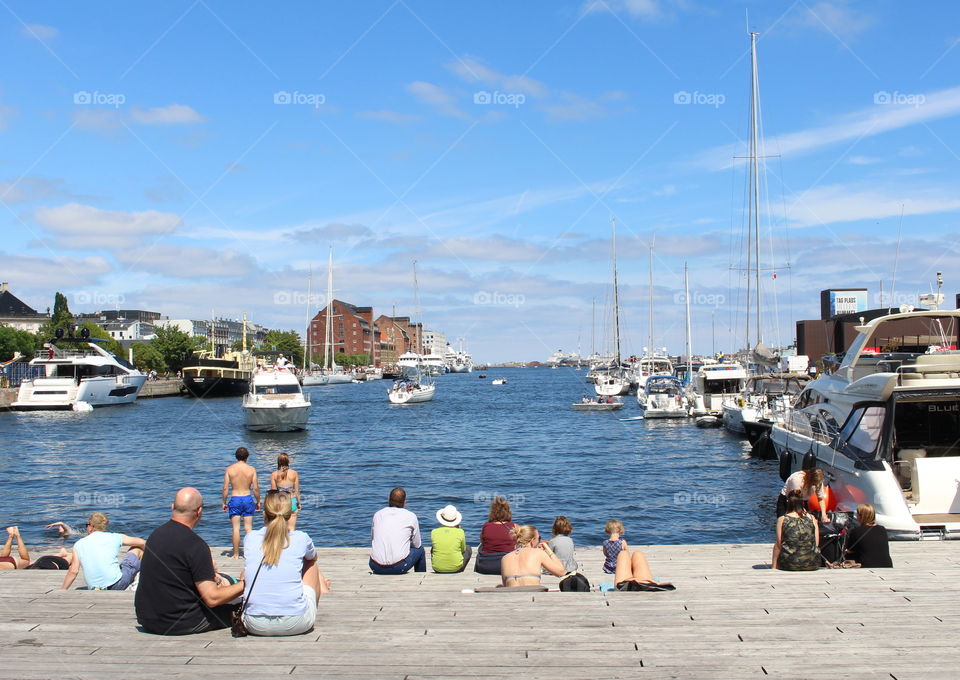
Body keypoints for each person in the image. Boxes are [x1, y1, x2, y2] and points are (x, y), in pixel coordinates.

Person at [135, 488, 245, 635]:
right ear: (199, 511)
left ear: (172, 507)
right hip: (180, 622)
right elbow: (212, 598)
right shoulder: (195, 545)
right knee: (243, 607)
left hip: (147, 618)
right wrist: (246, 584)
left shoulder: (155, 536)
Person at [242, 491, 330, 636]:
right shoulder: (301, 538)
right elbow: (313, 558)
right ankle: (310, 614)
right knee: (311, 563)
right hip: (296, 623)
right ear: (289, 515)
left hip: (254, 624)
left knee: (246, 571)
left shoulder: (250, 538)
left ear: (264, 514)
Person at [61, 513, 145, 590]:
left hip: (94, 588)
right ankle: (142, 582)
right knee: (137, 549)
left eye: (87, 525)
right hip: (117, 585)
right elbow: (143, 542)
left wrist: (62, 590)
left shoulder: (78, 544)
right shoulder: (115, 537)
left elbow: (73, 571)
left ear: (91, 526)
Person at [369, 487, 426, 574]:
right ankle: (420, 576)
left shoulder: (378, 515)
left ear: (388, 500)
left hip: (375, 566)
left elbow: (373, 538)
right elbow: (417, 544)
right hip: (399, 567)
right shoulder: (410, 516)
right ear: (404, 502)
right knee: (420, 550)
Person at [222, 446, 261, 559]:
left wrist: (224, 502)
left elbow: (225, 488)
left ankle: (235, 555)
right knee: (248, 528)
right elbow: (256, 488)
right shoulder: (251, 469)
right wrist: (258, 501)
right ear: (247, 457)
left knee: (235, 528)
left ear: (236, 456)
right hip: (247, 498)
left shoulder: (229, 469)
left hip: (235, 499)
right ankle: (249, 553)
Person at [499, 525, 565, 587]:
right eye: (539, 538)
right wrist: (548, 550)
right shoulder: (539, 553)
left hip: (511, 596)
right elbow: (561, 572)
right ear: (532, 541)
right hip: (533, 595)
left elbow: (505, 585)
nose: (540, 541)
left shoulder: (505, 558)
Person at [772, 490, 820, 571]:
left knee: (776, 545)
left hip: (789, 565)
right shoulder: (812, 518)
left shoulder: (783, 519)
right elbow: (816, 542)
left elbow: (779, 545)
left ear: (788, 502)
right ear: (802, 503)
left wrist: (773, 566)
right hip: (812, 564)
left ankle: (774, 567)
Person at [476, 496, 518, 575]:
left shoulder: (486, 526)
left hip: (486, 566)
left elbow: (482, 542)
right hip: (508, 566)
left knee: (481, 546)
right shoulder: (514, 526)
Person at [844, 503, 892, 568]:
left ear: (861, 516)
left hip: (867, 564)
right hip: (886, 564)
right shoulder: (882, 529)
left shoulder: (856, 531)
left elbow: (850, 550)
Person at [430, 505, 471, 573]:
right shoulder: (460, 532)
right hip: (456, 568)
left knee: (433, 548)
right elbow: (463, 549)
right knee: (468, 548)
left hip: (437, 568)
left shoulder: (434, 532)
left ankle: (440, 565)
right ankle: (459, 569)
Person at [270, 453, 301, 531]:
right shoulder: (294, 473)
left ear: (278, 462)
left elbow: (273, 492)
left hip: (280, 502)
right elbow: (297, 491)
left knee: (280, 529)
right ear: (288, 461)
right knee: (291, 529)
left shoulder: (273, 474)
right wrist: (299, 503)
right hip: (292, 501)